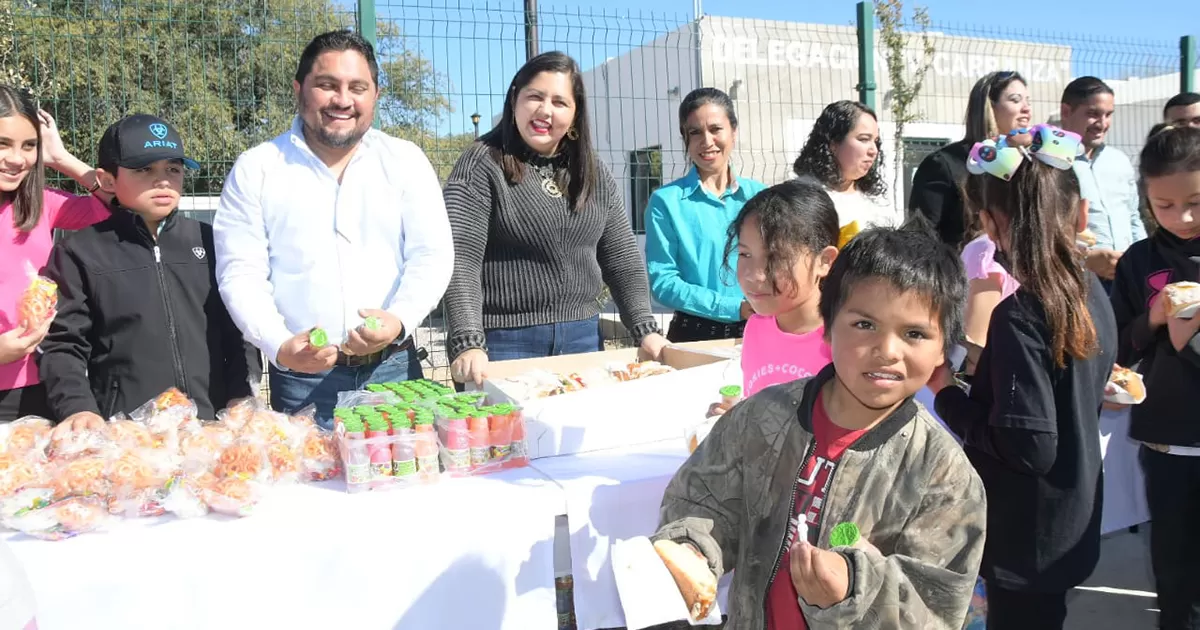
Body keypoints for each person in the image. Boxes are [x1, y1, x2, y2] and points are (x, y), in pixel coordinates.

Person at [654, 225, 986, 629]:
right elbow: (704, 499)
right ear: (827, 328)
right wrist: (693, 545)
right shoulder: (762, 417)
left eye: (914, 333)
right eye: (865, 325)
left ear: (941, 353)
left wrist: (854, 587)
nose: (887, 351)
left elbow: (935, 606)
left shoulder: (942, 474)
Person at [214, 30, 453, 427]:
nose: (343, 100)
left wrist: (397, 319)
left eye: (357, 87)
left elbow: (432, 255)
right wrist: (279, 345)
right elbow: (241, 273)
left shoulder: (405, 161)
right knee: (311, 487)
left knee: (406, 482)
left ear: (375, 94)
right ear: (299, 89)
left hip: (394, 373)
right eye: (327, 85)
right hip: (302, 380)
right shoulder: (257, 168)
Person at [932, 127, 1117, 630]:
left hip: (1025, 537)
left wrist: (946, 392)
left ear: (990, 225)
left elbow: (1029, 445)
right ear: (1080, 215)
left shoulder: (1019, 316)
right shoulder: (1092, 292)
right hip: (1070, 520)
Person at [442, 51, 666, 386]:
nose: (545, 110)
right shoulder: (481, 164)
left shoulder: (592, 171)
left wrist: (645, 329)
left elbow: (622, 259)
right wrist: (468, 341)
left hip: (583, 339)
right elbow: (461, 260)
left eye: (560, 102)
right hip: (503, 343)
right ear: (515, 98)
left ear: (575, 115)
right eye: (535, 96)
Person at [40, 114, 258, 434]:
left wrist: (241, 397)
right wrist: (78, 408)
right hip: (126, 434)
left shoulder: (212, 242)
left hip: (210, 429)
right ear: (108, 180)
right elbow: (63, 345)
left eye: (173, 168)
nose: (163, 180)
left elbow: (239, 332)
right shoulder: (79, 252)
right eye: (145, 170)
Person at [1109, 125, 1200, 630]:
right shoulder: (1139, 261)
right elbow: (1118, 345)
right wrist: (1155, 320)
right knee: (1172, 564)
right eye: (1164, 205)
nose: (1181, 218)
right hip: (1165, 441)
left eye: (1194, 202)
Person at [0, 85, 111, 423]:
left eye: (29, 146)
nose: (18, 159)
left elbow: (114, 206)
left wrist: (62, 159)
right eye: (3, 144)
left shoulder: (39, 204)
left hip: (42, 382)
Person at [644, 88, 765, 343]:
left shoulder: (761, 197)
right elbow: (663, 283)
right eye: (695, 132)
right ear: (685, 139)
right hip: (694, 336)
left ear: (734, 131)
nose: (706, 141)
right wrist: (734, 308)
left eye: (715, 129)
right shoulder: (666, 202)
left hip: (759, 329)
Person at [719, 178, 835, 408]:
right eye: (745, 255)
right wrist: (735, 417)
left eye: (776, 258)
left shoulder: (844, 343)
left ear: (824, 261)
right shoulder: (756, 328)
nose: (755, 275)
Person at [909, 71, 1032, 247]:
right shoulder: (944, 164)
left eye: (1028, 101)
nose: (1026, 109)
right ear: (989, 107)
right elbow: (919, 240)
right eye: (1015, 100)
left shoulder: (1029, 165)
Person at [1059, 76, 1145, 289]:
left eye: (1108, 115)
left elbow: (1133, 216)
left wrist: (1144, 259)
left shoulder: (1120, 161)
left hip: (1128, 281)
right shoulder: (1051, 165)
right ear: (1066, 112)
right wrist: (1084, 260)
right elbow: (1042, 230)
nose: (1103, 123)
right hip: (1078, 282)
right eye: (1093, 114)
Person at [792, 100, 897, 229]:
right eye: (864, 139)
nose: (873, 150)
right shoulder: (798, 198)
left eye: (876, 141)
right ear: (834, 143)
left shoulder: (877, 201)